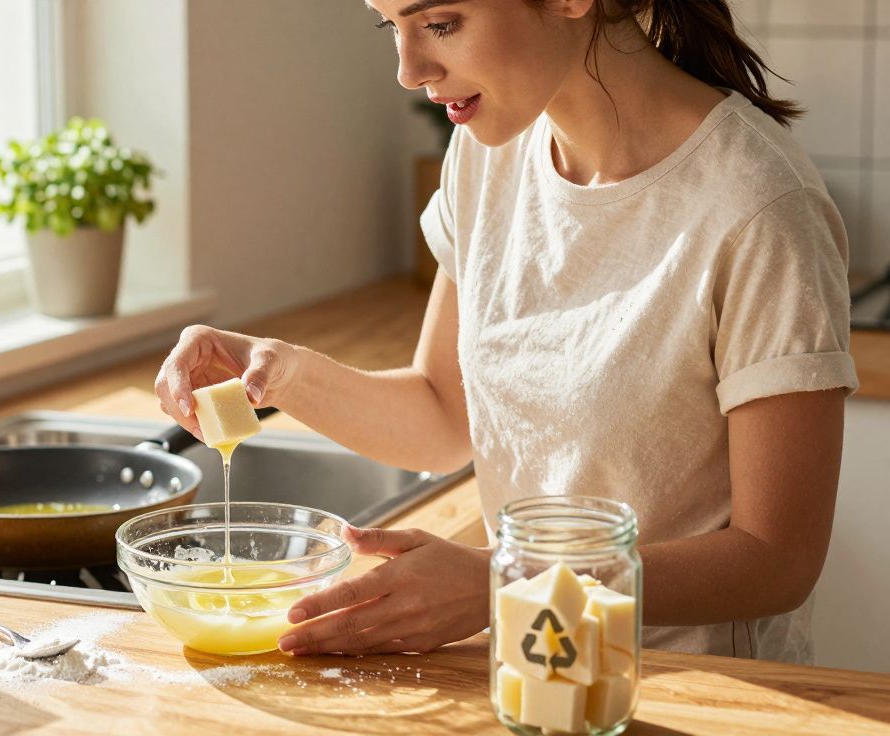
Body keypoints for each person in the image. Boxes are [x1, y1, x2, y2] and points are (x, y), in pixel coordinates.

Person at [154, 0, 857, 663]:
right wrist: (280, 372)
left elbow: (776, 559)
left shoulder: (760, 208)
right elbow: (441, 415)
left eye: (440, 21)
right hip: (530, 673)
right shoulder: (489, 155)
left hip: (697, 699)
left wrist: (503, 581)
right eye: (389, 26)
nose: (408, 70)